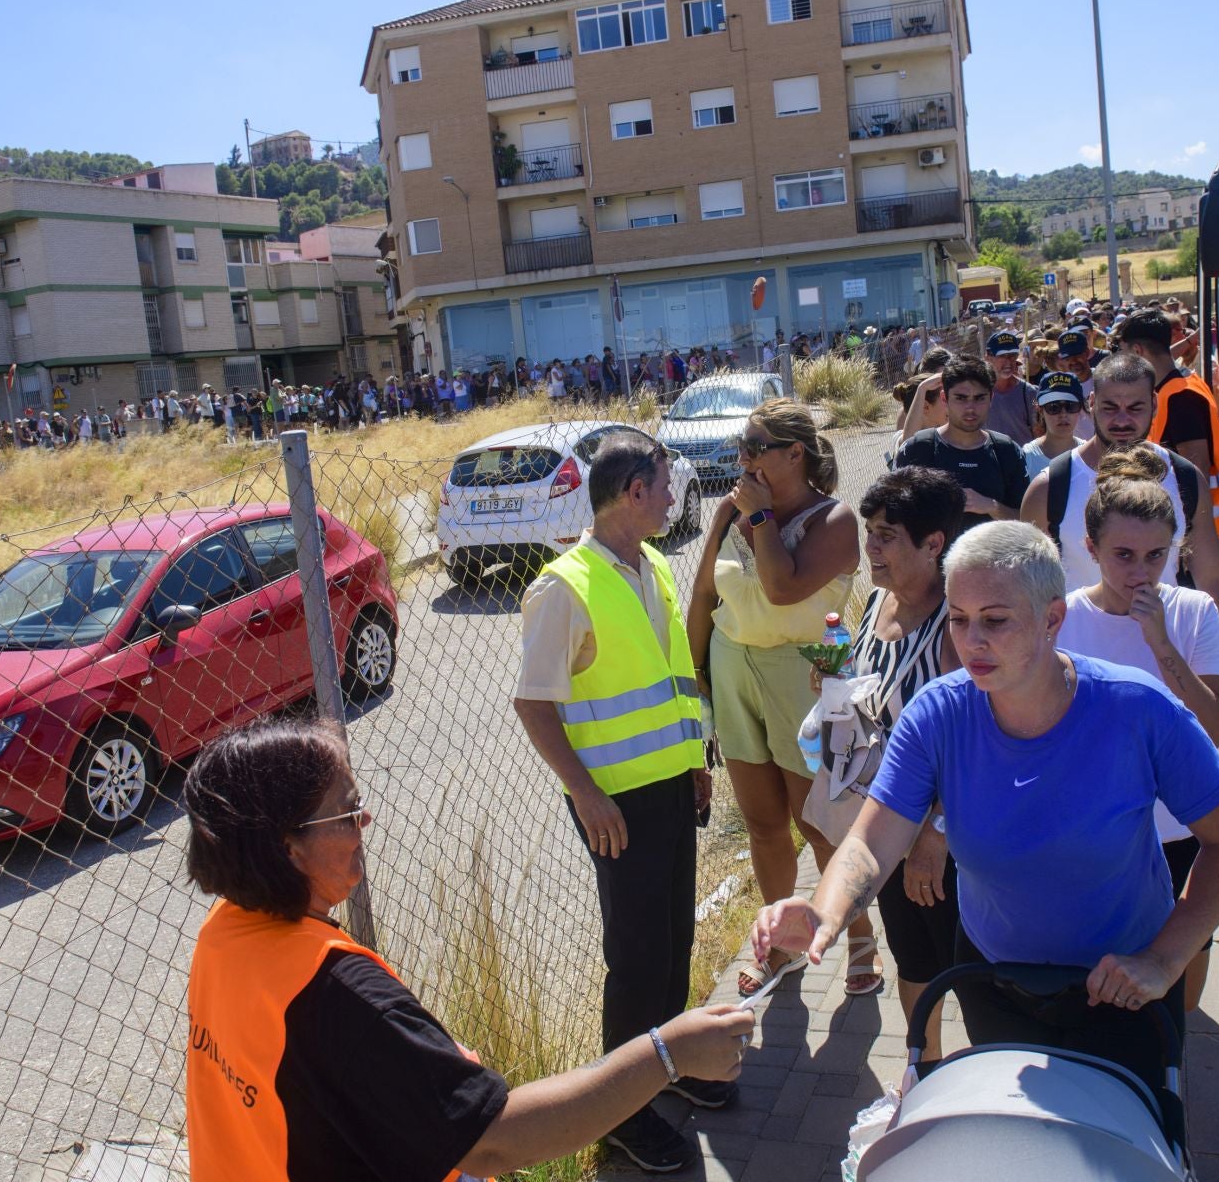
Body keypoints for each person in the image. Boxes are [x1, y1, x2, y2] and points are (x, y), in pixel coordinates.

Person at [750, 521, 1219, 1100]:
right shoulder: (938, 714)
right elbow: (872, 842)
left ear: (1051, 619)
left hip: (1126, 990)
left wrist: (1165, 960)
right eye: (960, 619)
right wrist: (824, 913)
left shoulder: (1138, 708)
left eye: (995, 620)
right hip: (996, 981)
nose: (971, 641)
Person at [182, 721, 752, 1182]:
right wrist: (666, 1054)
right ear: (289, 849)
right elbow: (494, 1142)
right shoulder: (341, 996)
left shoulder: (223, 931)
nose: (366, 820)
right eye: (348, 810)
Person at [512, 432, 727, 1171]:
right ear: (635, 491)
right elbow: (534, 704)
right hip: (615, 802)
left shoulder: (655, 563)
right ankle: (621, 1115)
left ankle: (669, 1067)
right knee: (636, 958)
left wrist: (696, 757)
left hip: (669, 785)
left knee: (671, 941)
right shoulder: (564, 587)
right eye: (664, 485)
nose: (673, 497)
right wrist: (585, 792)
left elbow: (674, 674)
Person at [685, 399, 874, 998]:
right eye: (741, 447)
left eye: (755, 446)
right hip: (733, 666)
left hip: (806, 676)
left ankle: (861, 933)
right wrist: (696, 678)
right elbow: (703, 598)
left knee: (818, 822)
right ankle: (780, 943)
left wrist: (761, 520)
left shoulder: (834, 519)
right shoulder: (729, 510)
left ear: (796, 453)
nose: (742, 459)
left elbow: (785, 587)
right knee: (764, 824)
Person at [1057, 446, 1219, 1013]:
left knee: (1183, 954)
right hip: (1092, 828)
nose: (1140, 573)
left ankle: (1173, 1057)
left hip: (1178, 826)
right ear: (1090, 549)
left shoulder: (1194, 612)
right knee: (1093, 970)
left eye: (1156, 556)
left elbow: (1215, 729)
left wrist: (1161, 645)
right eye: (1124, 555)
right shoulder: (1059, 617)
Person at [808, 468, 966, 1061]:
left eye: (887, 535)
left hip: (939, 837)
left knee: (965, 966)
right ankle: (924, 1067)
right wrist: (833, 682)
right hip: (886, 823)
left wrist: (935, 833)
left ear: (933, 544)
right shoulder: (876, 600)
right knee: (914, 956)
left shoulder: (955, 622)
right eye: (870, 531)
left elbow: (970, 739)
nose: (870, 547)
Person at [1020, 352, 1219, 729]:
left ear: (1154, 404)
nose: (1121, 420)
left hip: (1167, 660)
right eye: (1110, 407)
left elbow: (1214, 575)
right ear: (1091, 404)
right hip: (1074, 668)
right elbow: (1025, 589)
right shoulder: (1050, 488)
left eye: (1135, 408)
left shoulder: (1184, 480)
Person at [1117, 309, 1219, 545]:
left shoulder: (1179, 397)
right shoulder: (1181, 385)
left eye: (1124, 353)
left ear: (1138, 351)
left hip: (1195, 533)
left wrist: (1188, 534)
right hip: (1192, 526)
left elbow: (1197, 470)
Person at [891, 355, 1027, 537]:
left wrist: (991, 506)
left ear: (991, 397)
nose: (970, 408)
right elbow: (893, 519)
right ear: (944, 398)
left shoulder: (1006, 451)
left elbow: (1027, 520)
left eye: (979, 398)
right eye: (961, 398)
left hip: (996, 562)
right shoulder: (918, 449)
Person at [1020, 370, 1085, 481]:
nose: (1063, 414)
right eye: (1053, 407)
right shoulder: (1026, 457)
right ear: (1040, 410)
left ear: (1080, 409)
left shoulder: (1089, 454)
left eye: (1071, 406)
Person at [980, 329, 1039, 446]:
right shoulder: (978, 392)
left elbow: (1039, 432)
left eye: (1012, 356)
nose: (1008, 362)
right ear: (988, 357)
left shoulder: (1029, 392)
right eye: (1002, 356)